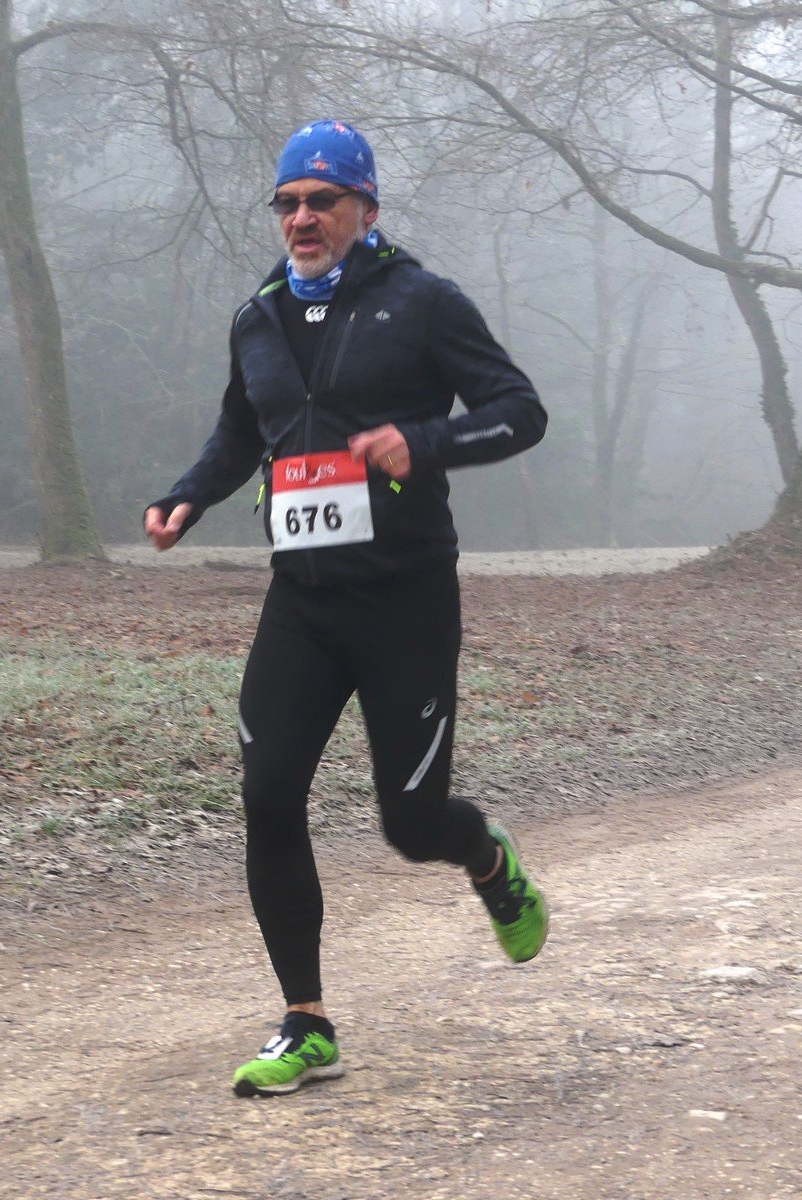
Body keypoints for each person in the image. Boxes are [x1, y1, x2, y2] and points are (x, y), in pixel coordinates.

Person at [144, 120, 549, 1098]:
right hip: (303, 598)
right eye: (287, 203)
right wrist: (188, 496)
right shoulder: (257, 317)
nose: (301, 218)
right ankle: (306, 1022)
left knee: (411, 824)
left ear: (365, 208)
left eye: (321, 200)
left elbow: (519, 410)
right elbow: (240, 431)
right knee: (267, 794)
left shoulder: (423, 302)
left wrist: (423, 442)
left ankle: (485, 857)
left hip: (405, 597)